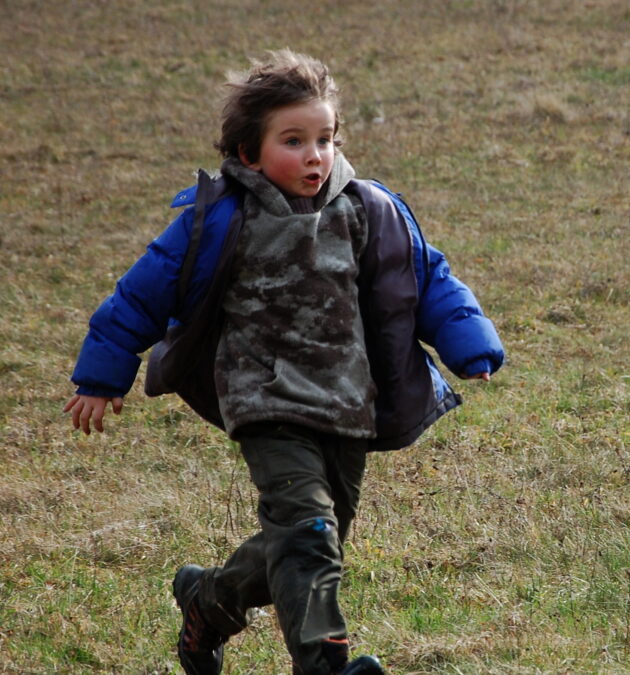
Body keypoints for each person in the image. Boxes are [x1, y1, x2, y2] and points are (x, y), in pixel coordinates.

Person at [64, 50, 504, 675]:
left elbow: (428, 279)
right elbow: (141, 292)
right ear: (249, 152)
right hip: (265, 399)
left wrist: (470, 345)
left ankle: (208, 600)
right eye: (293, 141)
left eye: (324, 139)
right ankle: (324, 661)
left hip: (349, 403)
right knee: (309, 536)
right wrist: (102, 376)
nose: (315, 156)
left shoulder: (367, 210)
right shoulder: (219, 217)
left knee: (305, 546)